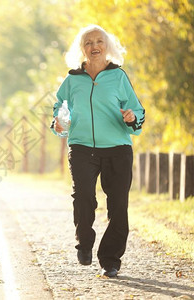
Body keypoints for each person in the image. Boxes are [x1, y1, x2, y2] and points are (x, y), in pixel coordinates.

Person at [51, 25, 145, 278]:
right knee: (83, 196)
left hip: (117, 148)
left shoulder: (118, 77)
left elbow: (138, 110)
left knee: (118, 205)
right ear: (81, 48)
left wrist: (131, 116)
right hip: (82, 147)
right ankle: (84, 241)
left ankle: (110, 259)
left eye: (99, 41)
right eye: (88, 42)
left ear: (107, 46)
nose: (94, 46)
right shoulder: (72, 80)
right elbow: (59, 111)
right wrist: (59, 124)